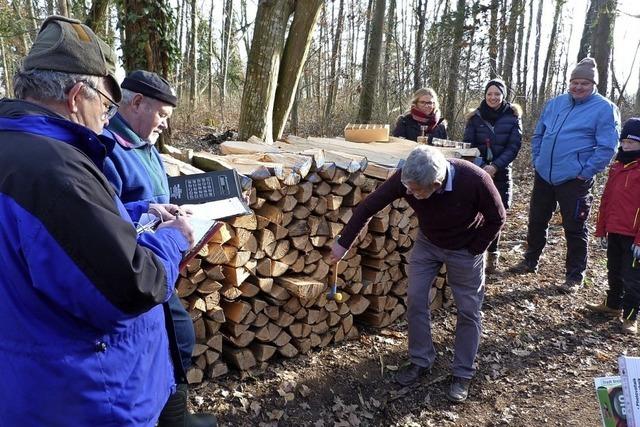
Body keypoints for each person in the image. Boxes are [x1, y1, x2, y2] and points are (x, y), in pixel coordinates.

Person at [0, 16, 194, 426]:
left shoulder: (18, 149)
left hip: (32, 385)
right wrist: (175, 239)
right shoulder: (56, 172)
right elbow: (132, 286)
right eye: (106, 106)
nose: (108, 117)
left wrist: (137, 213)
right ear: (75, 97)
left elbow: (55, 237)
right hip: (87, 397)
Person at [329, 145, 505, 403]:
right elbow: (369, 207)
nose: (408, 193)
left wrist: (474, 249)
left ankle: (462, 373)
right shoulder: (407, 178)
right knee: (415, 299)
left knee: (468, 310)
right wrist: (343, 243)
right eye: (407, 187)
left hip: (465, 249)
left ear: (436, 183)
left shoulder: (475, 180)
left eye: (415, 191)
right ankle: (421, 360)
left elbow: (497, 217)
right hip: (428, 244)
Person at [103, 70, 217, 427]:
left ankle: (174, 415)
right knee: (175, 336)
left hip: (163, 258)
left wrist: (173, 215)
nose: (165, 126)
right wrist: (163, 229)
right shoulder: (108, 151)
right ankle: (171, 419)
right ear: (136, 102)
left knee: (176, 336)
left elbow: (153, 199)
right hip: (138, 267)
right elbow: (110, 225)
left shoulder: (145, 144)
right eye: (162, 115)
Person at [512, 57, 620, 294]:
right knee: (537, 220)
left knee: (574, 226)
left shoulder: (604, 109)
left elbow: (607, 147)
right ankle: (530, 260)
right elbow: (539, 133)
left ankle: (574, 275)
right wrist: (538, 160)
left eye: (584, 83)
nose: (578, 87)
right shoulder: (555, 103)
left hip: (575, 180)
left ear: (593, 85)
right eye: (574, 82)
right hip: (545, 175)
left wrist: (585, 172)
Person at [586, 118, 640, 335]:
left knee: (633, 278)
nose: (626, 147)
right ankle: (612, 304)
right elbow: (606, 199)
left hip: (634, 236)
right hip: (614, 230)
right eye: (624, 142)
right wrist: (601, 229)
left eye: (632, 143)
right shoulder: (616, 167)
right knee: (613, 270)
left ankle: (630, 317)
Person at [463, 78, 522, 273]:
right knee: (474, 210)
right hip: (478, 171)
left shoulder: (512, 117)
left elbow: (514, 146)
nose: (493, 97)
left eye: (497, 94)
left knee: (497, 213)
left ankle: (492, 256)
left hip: (501, 173)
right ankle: (473, 252)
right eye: (490, 94)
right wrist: (479, 165)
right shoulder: (475, 117)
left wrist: (496, 166)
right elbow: (468, 144)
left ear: (503, 96)